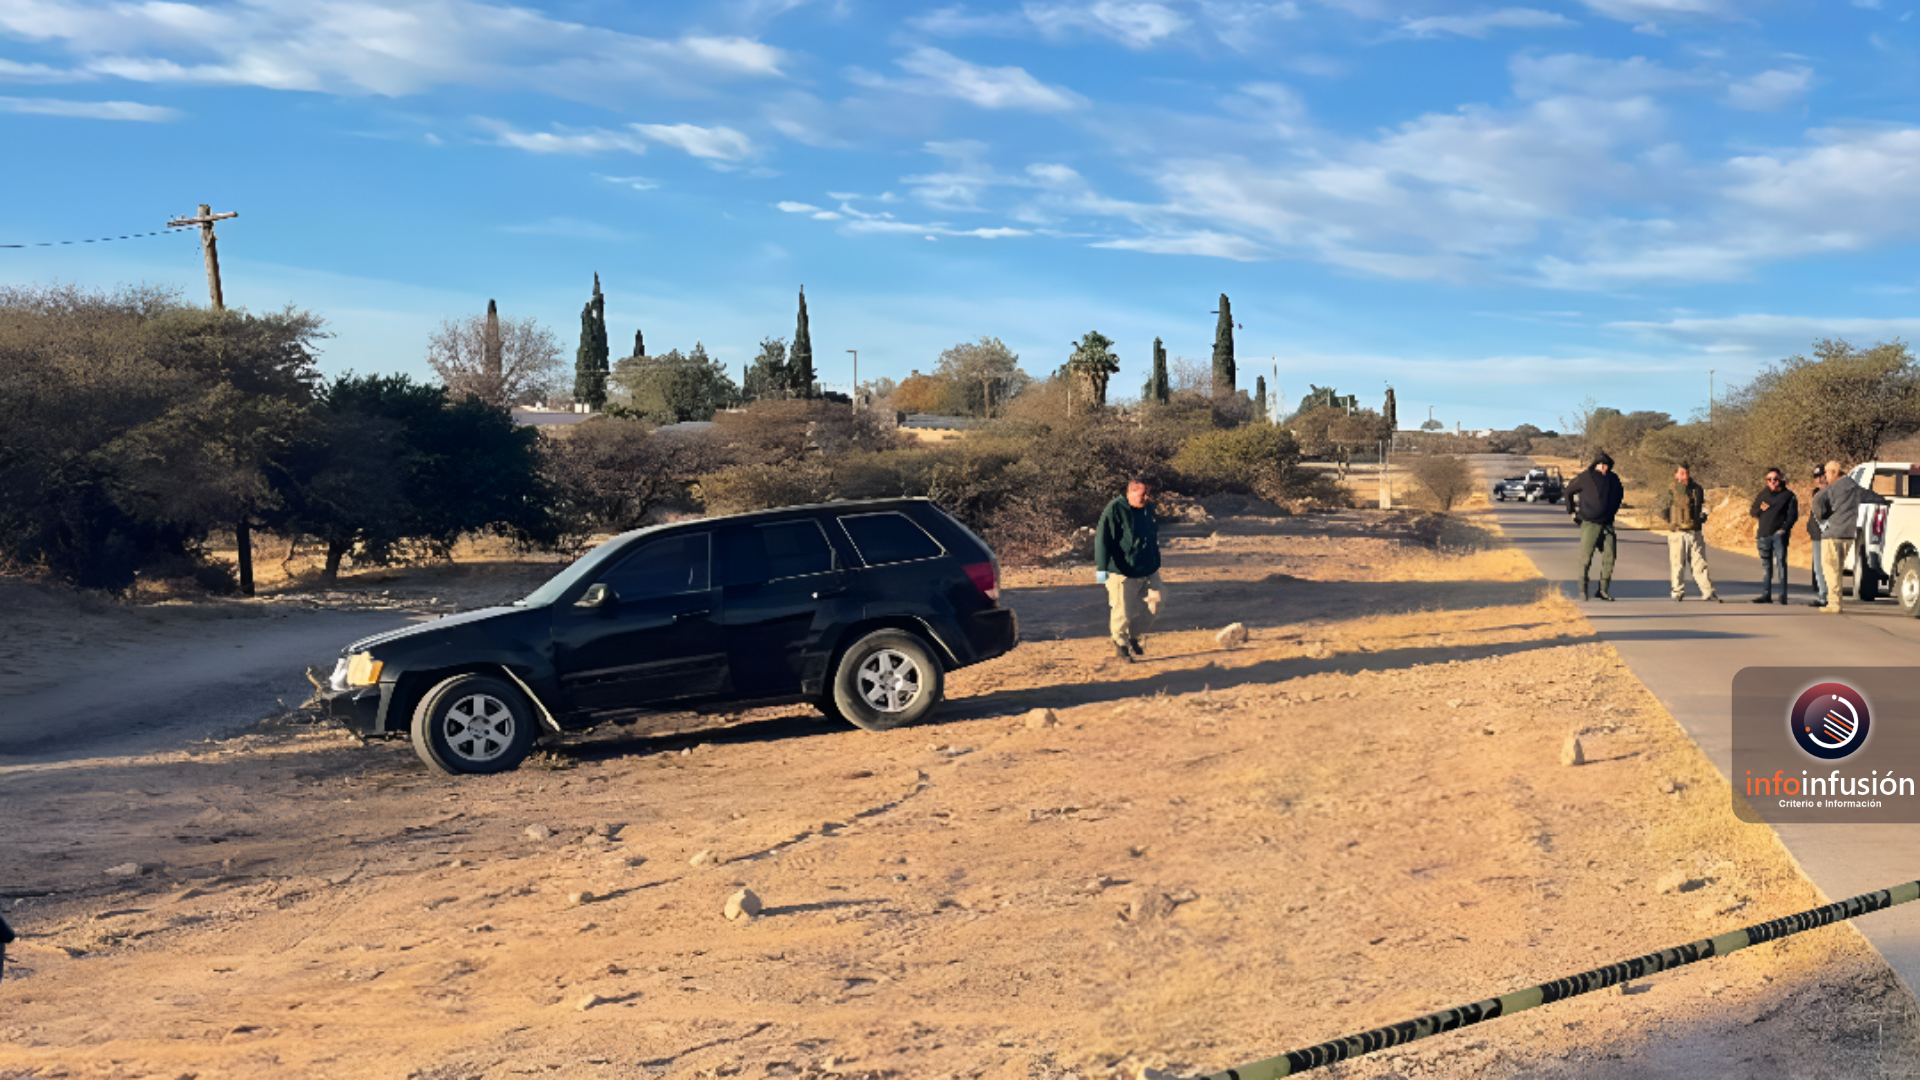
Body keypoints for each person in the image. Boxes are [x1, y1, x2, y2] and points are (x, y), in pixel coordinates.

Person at [1095, 476, 1162, 662]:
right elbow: (1102, 538)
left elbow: (1152, 534)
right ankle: (1121, 644)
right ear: (1130, 492)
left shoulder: (1148, 508)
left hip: (1147, 567)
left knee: (1156, 602)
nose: (1147, 498)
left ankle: (1134, 635)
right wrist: (1101, 569)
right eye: (1143, 494)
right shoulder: (1115, 508)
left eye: (1148, 493)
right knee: (1122, 610)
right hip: (1120, 569)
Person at [1810, 460, 1872, 614]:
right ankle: (1836, 601)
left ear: (1833, 473)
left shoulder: (1832, 489)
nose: (1824, 476)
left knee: (1830, 569)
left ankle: (1834, 603)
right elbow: (1870, 497)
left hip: (1833, 534)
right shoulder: (1853, 487)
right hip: (1849, 534)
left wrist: (1823, 521)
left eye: (1826, 473)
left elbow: (1816, 502)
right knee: (1837, 569)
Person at [1654, 464, 1720, 602]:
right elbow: (1661, 508)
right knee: (1677, 564)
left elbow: (1705, 506)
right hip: (1678, 533)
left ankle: (1708, 591)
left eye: (1686, 473)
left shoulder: (1697, 489)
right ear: (1676, 475)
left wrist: (1703, 516)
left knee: (1700, 564)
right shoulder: (1670, 491)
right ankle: (1677, 591)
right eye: (1681, 473)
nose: (1683, 476)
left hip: (1695, 532)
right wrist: (1671, 520)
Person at [1564, 450, 1624, 600]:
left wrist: (1612, 511)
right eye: (1601, 465)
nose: (1604, 468)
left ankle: (1603, 590)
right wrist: (1572, 512)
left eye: (1606, 465)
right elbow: (1568, 491)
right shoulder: (1585, 477)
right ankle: (1583, 589)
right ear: (1595, 465)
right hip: (1590, 523)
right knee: (1586, 557)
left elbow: (1619, 494)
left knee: (1610, 556)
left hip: (1607, 523)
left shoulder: (1614, 479)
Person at [1748, 467, 1798, 604]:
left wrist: (1784, 529)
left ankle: (1782, 597)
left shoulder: (1788, 495)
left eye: (1775, 479)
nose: (1773, 482)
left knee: (1781, 564)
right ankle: (1766, 595)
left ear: (1780, 479)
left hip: (1779, 535)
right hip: (1763, 534)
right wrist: (1760, 509)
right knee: (1766, 566)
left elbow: (1793, 515)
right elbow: (1753, 512)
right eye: (1769, 479)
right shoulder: (1763, 494)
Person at [1806, 465, 1829, 607]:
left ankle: (1825, 597)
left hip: (1827, 534)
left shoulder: (1832, 492)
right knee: (1818, 568)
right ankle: (1823, 594)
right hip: (1816, 535)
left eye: (1822, 476)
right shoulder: (1816, 492)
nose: (1820, 479)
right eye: (1817, 476)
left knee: (1825, 567)